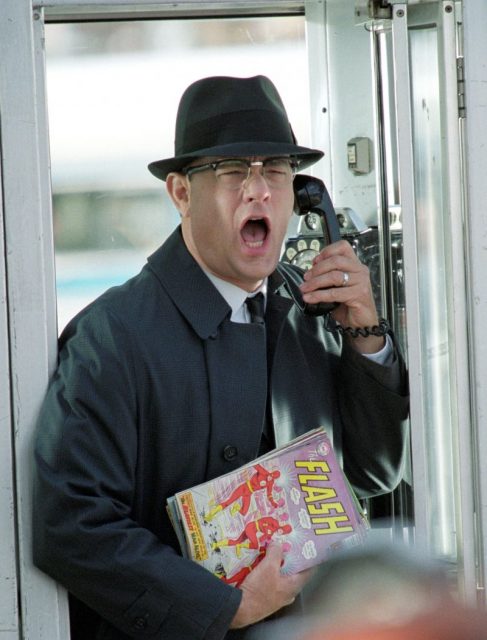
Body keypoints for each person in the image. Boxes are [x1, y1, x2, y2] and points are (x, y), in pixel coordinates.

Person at [32, 75, 409, 640]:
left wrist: (366, 337)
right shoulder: (112, 337)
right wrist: (223, 605)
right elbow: (72, 525)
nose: (259, 191)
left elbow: (375, 473)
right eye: (234, 172)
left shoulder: (310, 310)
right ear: (181, 193)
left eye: (276, 172)